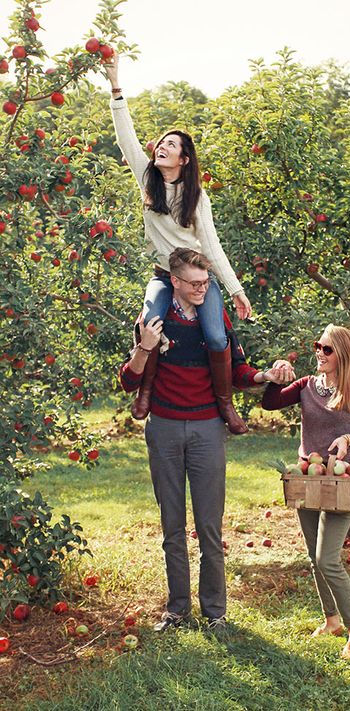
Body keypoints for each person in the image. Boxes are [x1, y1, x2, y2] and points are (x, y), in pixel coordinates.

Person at [119, 248, 294, 634]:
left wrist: (265, 376)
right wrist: (145, 346)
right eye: (194, 283)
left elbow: (238, 370)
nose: (201, 289)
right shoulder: (154, 319)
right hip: (163, 427)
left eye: (206, 283)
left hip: (207, 430)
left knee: (210, 527)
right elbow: (128, 381)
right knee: (172, 527)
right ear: (174, 282)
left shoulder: (216, 319)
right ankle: (177, 611)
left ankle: (216, 613)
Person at [106, 54, 252, 434]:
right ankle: (146, 392)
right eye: (162, 144)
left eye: (171, 145)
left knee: (217, 334)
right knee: (150, 323)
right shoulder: (148, 179)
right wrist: (115, 87)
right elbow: (127, 138)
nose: (162, 148)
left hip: (199, 277)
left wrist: (235, 290)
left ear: (184, 159)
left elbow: (213, 246)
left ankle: (225, 404)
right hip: (164, 275)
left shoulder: (196, 197)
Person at [262, 324, 350, 659]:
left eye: (327, 349)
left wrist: (349, 438)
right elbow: (271, 404)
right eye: (318, 346)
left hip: (343, 481)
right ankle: (331, 620)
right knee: (314, 560)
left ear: (341, 354)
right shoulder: (306, 386)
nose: (319, 353)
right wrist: (274, 378)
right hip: (308, 479)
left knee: (327, 559)